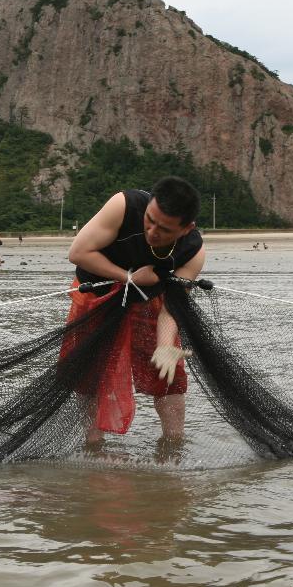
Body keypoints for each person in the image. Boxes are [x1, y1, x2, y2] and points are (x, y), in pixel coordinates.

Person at [66, 176, 206, 444]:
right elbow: (79, 252)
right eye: (150, 220)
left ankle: (173, 446)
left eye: (164, 229)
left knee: (170, 372)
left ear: (187, 228)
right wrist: (128, 277)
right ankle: (93, 444)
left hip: (147, 301)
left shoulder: (193, 253)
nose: (152, 232)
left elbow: (171, 308)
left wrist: (165, 345)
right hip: (95, 295)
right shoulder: (124, 204)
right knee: (89, 373)